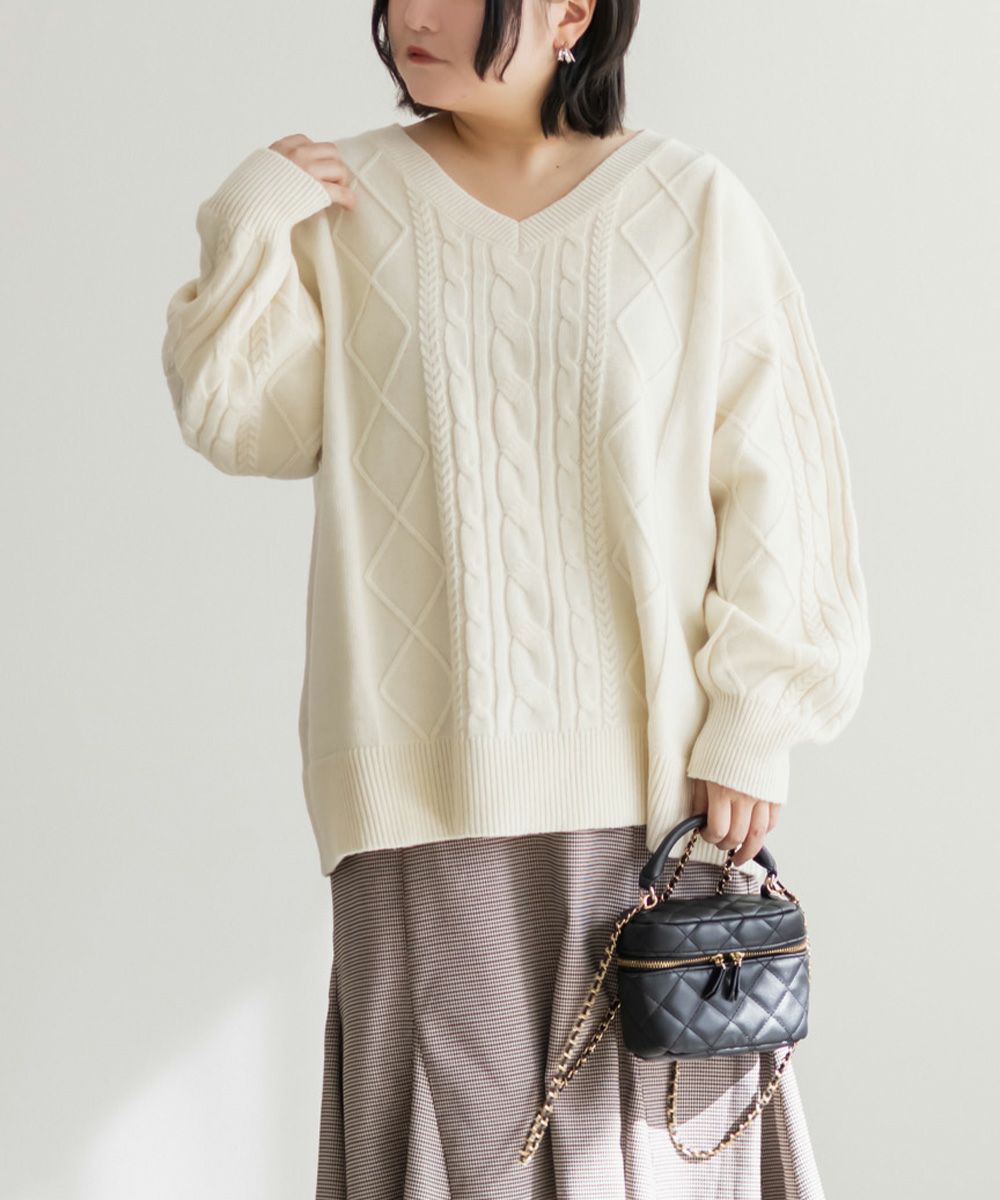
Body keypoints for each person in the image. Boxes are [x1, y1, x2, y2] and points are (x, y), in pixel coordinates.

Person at [160, 1, 869, 1196]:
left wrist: (755, 717)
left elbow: (779, 479)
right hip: (419, 796)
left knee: (652, 1157)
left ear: (571, 13)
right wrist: (247, 227)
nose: (412, 16)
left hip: (651, 805)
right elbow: (244, 425)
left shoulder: (688, 207)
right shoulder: (346, 208)